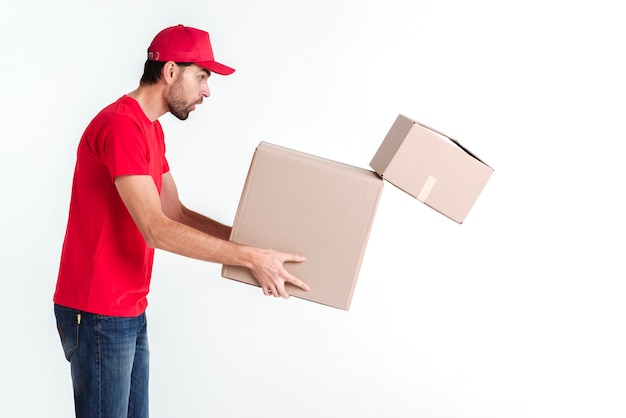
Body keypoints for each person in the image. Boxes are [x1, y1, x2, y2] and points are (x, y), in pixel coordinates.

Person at [53, 24, 309, 418]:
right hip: (99, 312)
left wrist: (256, 247)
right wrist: (247, 258)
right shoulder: (121, 125)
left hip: (128, 308)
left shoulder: (150, 130)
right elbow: (156, 229)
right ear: (171, 71)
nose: (207, 90)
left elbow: (176, 213)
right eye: (202, 76)